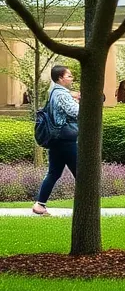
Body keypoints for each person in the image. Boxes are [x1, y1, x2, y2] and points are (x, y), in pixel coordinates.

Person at [32, 65, 80, 215]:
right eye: (69, 76)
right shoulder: (62, 94)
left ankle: (40, 205)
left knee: (54, 173)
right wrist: (81, 101)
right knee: (82, 173)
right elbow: (76, 111)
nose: (72, 79)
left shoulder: (53, 92)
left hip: (56, 139)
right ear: (60, 78)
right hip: (66, 140)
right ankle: (86, 208)